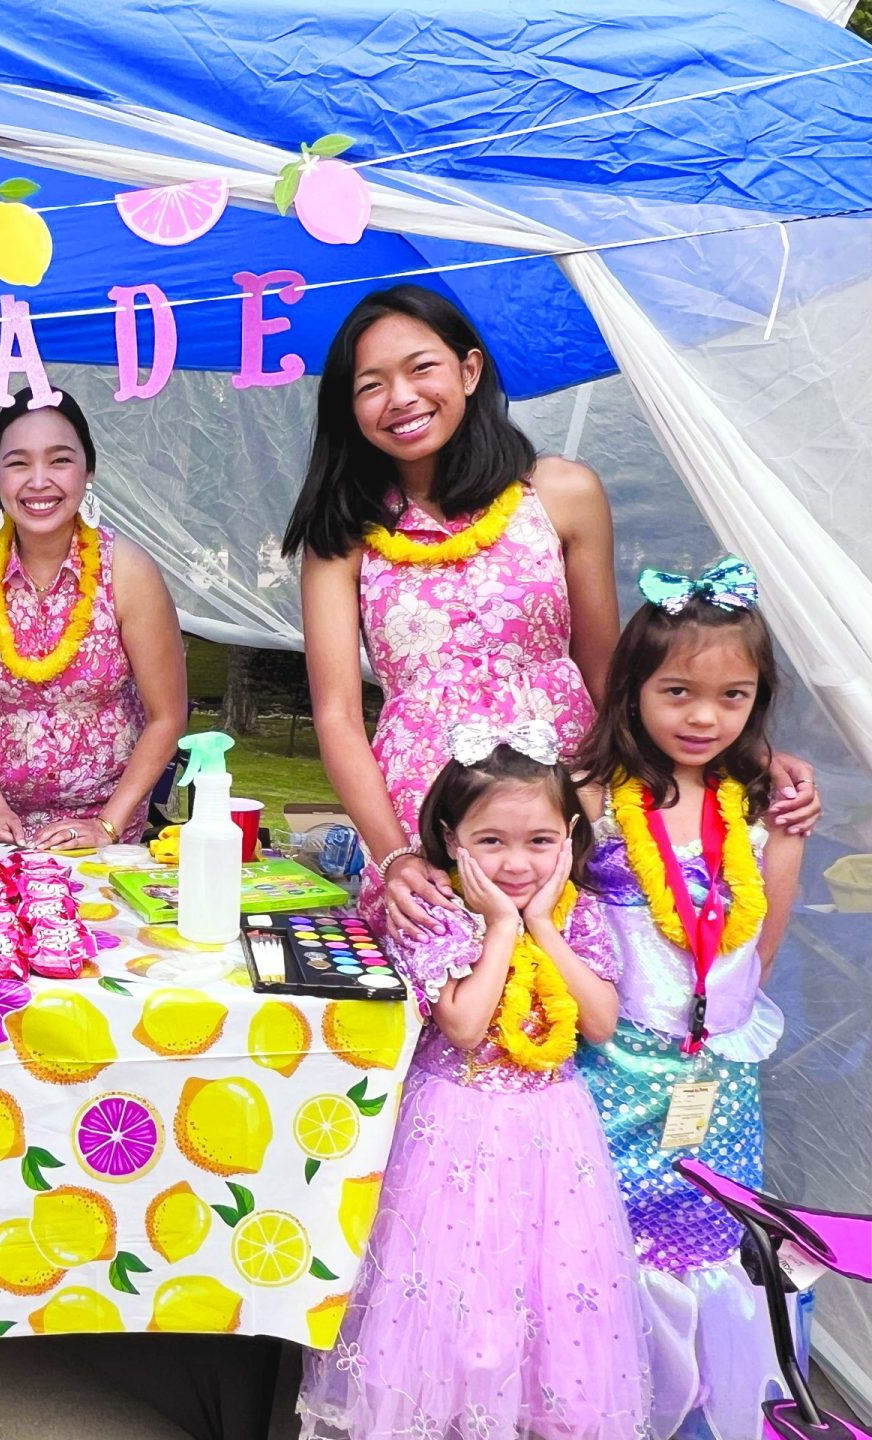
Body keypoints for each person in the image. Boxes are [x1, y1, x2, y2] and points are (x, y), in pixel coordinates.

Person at [284, 284, 818, 940]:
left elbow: (612, 670)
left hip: (569, 799)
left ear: (469, 370)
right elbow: (337, 713)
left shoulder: (562, 492)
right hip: (427, 814)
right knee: (451, 1008)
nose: (401, 397)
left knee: (581, 995)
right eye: (371, 384)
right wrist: (394, 855)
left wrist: (749, 754)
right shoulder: (343, 534)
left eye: (421, 367)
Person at [299, 725, 652, 1438]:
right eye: (491, 841)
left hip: (552, 1132)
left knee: (542, 1286)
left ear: (571, 836)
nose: (517, 863)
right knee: (448, 1286)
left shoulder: (576, 915)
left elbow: (602, 1022)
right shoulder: (433, 912)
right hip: (451, 1125)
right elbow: (463, 1023)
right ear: (451, 839)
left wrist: (544, 929)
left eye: (540, 841)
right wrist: (500, 927)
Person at [571, 558, 807, 1440]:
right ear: (632, 690)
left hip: (713, 1086)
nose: (705, 717)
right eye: (678, 691)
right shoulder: (591, 798)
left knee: (707, 1245)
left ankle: (691, 1416)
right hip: (609, 1076)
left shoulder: (755, 802)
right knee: (603, 1248)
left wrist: (783, 834)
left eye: (734, 697)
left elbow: (762, 946)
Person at [0, 388, 187, 849]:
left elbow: (166, 716)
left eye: (60, 460)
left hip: (104, 831)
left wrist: (108, 824)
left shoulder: (129, 572)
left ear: (88, 471)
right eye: (17, 463)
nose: (38, 481)